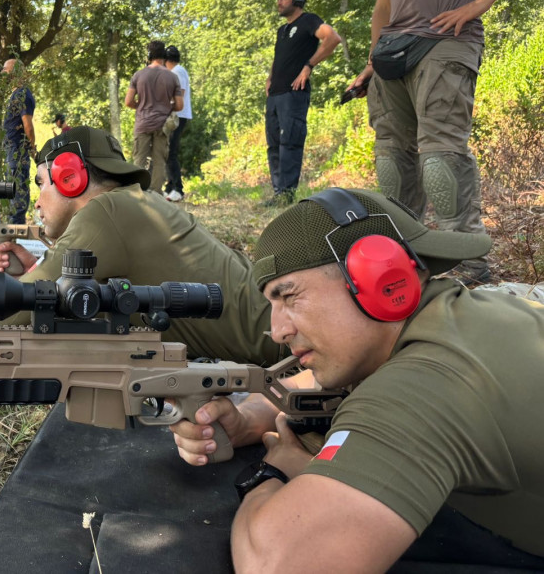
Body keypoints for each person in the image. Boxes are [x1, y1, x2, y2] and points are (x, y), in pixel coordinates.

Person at [171, 187, 544, 571]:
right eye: (271, 305)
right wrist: (249, 419)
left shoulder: (422, 387)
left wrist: (273, 471)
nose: (277, 330)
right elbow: (310, 384)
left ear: (380, 276)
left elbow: (278, 564)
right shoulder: (466, 316)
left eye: (289, 297)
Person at [347, 0, 542, 284]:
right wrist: (372, 61)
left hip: (445, 41)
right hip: (391, 55)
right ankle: (405, 259)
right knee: (391, 161)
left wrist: (480, 3)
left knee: (441, 158)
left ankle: (471, 265)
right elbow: (384, 3)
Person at [0, 125, 281, 365]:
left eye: (41, 183)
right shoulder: (137, 201)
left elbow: (8, 323)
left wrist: (24, 291)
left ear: (69, 177)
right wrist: (37, 273)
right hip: (277, 325)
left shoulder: (105, 213)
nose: (37, 201)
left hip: (285, 345)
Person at [264, 0, 340, 206]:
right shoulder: (282, 30)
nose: (279, 2)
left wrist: (308, 66)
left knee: (290, 141)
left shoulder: (309, 20)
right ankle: (278, 193)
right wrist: (269, 78)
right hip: (275, 94)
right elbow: (279, 57)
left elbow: (333, 38)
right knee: (274, 144)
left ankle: (287, 194)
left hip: (294, 94)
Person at [125, 40, 183, 196]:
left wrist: (142, 105)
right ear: (163, 56)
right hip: (162, 125)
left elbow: (128, 101)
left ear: (149, 56)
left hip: (142, 124)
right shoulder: (172, 77)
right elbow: (179, 105)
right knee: (159, 162)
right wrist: (164, 106)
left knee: (139, 161)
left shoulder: (138, 75)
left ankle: (137, 196)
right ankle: (156, 196)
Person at [1, 58, 36, 224]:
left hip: (18, 149)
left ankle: (16, 226)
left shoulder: (23, 94)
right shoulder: (16, 94)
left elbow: (27, 126)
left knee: (17, 187)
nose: (3, 73)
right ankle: (12, 223)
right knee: (11, 186)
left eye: (6, 69)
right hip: (12, 149)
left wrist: (32, 148)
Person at [164, 45, 191, 202]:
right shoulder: (178, 71)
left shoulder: (177, 72)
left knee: (171, 153)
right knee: (168, 152)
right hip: (177, 115)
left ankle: (178, 189)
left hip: (178, 116)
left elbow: (180, 94)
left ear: (168, 61)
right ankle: (169, 187)